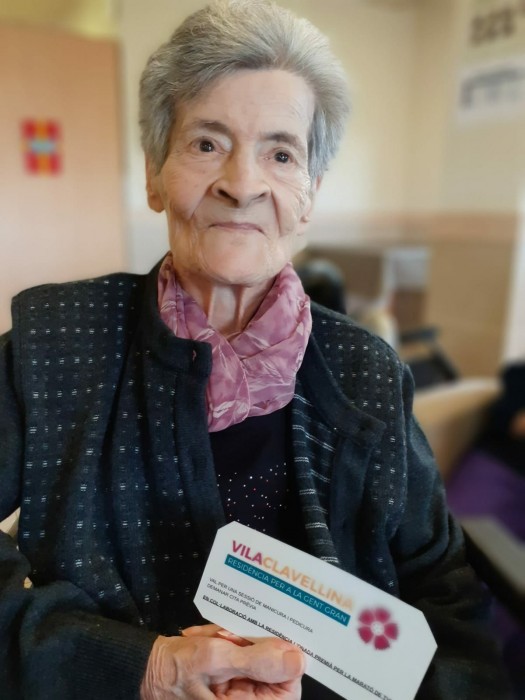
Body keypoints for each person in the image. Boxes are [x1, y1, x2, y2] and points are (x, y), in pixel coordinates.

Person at [0, 1, 511, 698]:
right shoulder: (57, 343)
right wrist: (139, 666)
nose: (242, 185)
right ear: (154, 174)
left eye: (281, 153)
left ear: (309, 196)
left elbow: (445, 597)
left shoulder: (364, 372)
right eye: (206, 144)